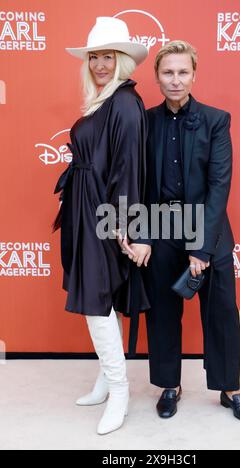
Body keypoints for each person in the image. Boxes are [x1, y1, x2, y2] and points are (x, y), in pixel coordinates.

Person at [126, 40, 240, 423]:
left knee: (221, 312)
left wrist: (200, 248)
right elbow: (140, 183)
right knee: (163, 312)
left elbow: (219, 186)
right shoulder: (145, 121)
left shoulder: (217, 120)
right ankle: (170, 385)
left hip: (209, 231)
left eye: (183, 72)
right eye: (168, 72)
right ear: (157, 76)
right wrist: (142, 234)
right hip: (161, 229)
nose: (175, 79)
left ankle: (230, 389)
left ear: (194, 75)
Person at [52, 16, 150, 435]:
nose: (100, 64)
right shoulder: (103, 99)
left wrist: (125, 224)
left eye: (108, 57)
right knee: (99, 299)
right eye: (94, 57)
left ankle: (120, 391)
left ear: (123, 60)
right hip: (86, 207)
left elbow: (129, 166)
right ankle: (104, 381)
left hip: (103, 212)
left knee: (97, 300)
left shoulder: (125, 102)